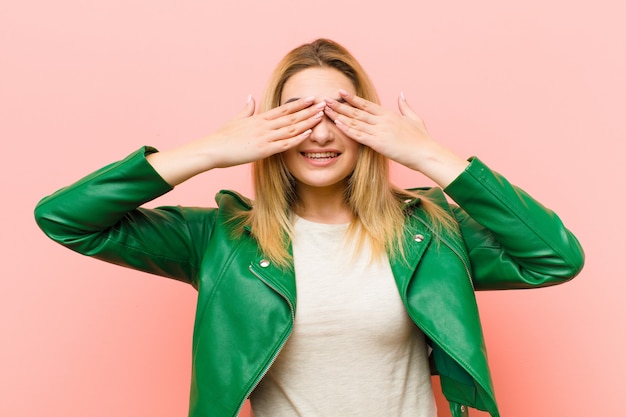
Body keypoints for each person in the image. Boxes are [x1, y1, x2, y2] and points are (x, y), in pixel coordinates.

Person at [34, 38, 584, 417]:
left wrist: (430, 156)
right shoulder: (222, 241)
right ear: (268, 130)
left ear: (369, 126)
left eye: (337, 112)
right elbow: (65, 219)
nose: (318, 133)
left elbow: (555, 257)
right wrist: (208, 152)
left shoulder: (431, 233)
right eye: (297, 114)